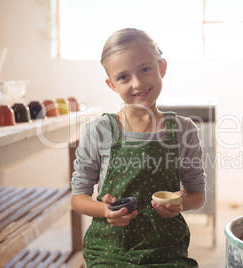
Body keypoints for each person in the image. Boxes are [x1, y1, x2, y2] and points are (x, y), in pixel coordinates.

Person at [71, 28, 206, 267]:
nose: (138, 82)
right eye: (123, 77)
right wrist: (105, 211)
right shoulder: (98, 131)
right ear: (111, 84)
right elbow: (78, 198)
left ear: (162, 67)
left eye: (145, 69)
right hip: (109, 250)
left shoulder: (184, 130)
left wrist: (179, 204)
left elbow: (198, 195)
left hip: (165, 249)